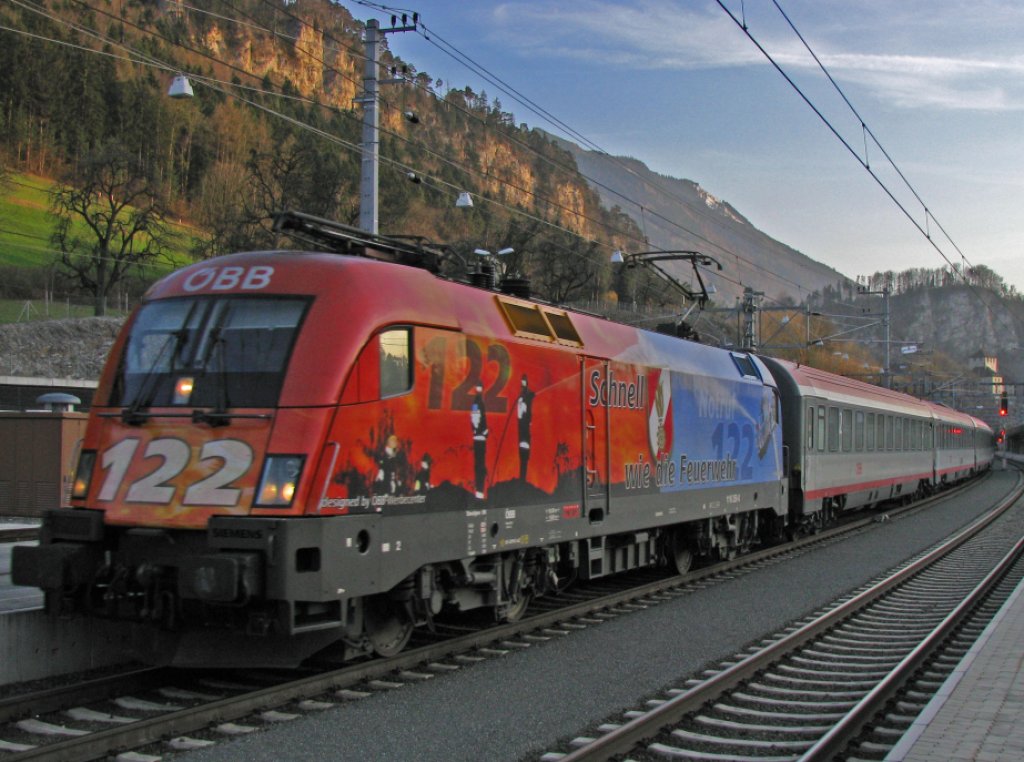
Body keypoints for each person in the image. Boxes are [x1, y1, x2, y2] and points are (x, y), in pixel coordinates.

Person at [470, 385, 488, 498]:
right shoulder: (477, 404)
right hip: (479, 438)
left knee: (480, 464)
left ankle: (479, 490)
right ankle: (479, 491)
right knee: (480, 465)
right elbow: (475, 420)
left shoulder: (478, 403)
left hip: (479, 437)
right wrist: (483, 431)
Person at [516, 374, 534, 481]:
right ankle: (522, 478)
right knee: (523, 456)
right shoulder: (521, 399)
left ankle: (523, 477)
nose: (522, 386)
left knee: (524, 457)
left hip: (524, 432)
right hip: (523, 432)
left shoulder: (526, 398)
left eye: (524, 383)